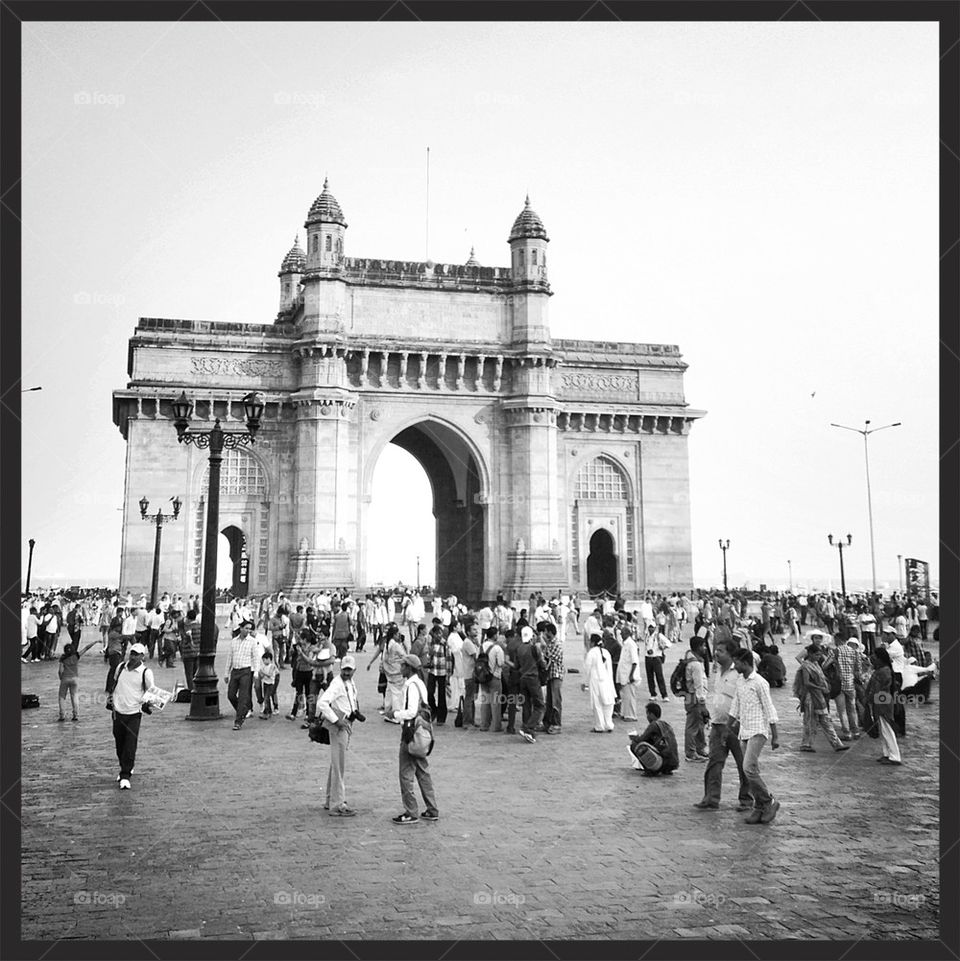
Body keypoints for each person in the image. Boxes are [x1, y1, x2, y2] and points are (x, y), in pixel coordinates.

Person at [694, 637, 753, 812]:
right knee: (714, 763)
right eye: (716, 650)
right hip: (717, 724)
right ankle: (711, 798)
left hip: (736, 726)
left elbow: (744, 700)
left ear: (730, 653)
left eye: (721, 651)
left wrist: (735, 723)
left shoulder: (739, 674)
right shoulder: (718, 672)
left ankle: (747, 799)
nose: (716, 653)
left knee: (744, 764)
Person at [727, 648, 781, 824]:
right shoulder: (740, 682)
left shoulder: (760, 682)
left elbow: (769, 707)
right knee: (749, 770)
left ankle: (768, 801)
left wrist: (775, 735)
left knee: (748, 768)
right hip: (744, 730)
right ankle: (760, 807)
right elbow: (736, 704)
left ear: (746, 662)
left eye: (737, 662)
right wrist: (728, 726)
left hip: (758, 730)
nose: (735, 666)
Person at [393, 654, 439, 824]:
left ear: (409, 667)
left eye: (403, 665)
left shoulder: (411, 685)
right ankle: (432, 808)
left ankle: (411, 811)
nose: (400, 668)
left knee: (405, 773)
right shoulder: (420, 683)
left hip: (410, 732)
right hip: (422, 732)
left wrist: (396, 714)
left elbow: (411, 711)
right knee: (423, 772)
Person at [315, 654, 362, 816]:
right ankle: (338, 804)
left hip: (346, 723)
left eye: (349, 670)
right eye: (344, 670)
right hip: (339, 726)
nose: (347, 673)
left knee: (336, 763)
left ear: (354, 670)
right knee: (339, 765)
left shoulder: (349, 682)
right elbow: (322, 703)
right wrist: (336, 720)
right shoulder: (337, 683)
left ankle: (331, 799)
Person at [107, 642, 155, 790]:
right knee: (119, 741)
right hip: (118, 711)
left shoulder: (146, 672)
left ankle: (125, 774)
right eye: (132, 653)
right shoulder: (121, 667)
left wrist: (149, 702)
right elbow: (114, 683)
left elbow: (151, 691)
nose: (133, 657)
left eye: (137, 654)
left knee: (130, 743)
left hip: (134, 712)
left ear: (142, 656)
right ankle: (125, 765)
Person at [794, 645, 849, 753]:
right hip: (811, 697)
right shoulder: (806, 666)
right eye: (817, 654)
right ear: (810, 654)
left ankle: (836, 743)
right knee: (810, 721)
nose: (819, 657)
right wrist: (821, 688)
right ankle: (806, 744)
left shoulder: (816, 664)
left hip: (819, 696)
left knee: (825, 720)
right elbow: (806, 683)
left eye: (819, 654)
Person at [864, 647, 902, 765]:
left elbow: (879, 690)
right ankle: (887, 754)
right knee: (883, 730)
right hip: (880, 703)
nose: (872, 658)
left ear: (880, 658)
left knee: (887, 730)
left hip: (883, 704)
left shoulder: (883, 671)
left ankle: (895, 756)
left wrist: (871, 699)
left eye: (874, 656)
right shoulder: (882, 669)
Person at [628, 701, 679, 775]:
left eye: (647, 714)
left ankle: (650, 769)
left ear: (651, 714)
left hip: (663, 761)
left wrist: (634, 738)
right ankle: (666, 769)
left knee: (635, 745)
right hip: (673, 762)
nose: (647, 717)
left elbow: (641, 739)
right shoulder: (665, 724)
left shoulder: (654, 725)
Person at [224, 620, 258, 730]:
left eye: (250, 629)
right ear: (241, 628)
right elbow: (230, 657)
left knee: (243, 696)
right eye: (246, 628)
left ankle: (238, 721)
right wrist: (226, 673)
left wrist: (256, 671)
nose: (248, 631)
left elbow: (255, 657)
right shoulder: (234, 641)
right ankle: (243, 710)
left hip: (246, 671)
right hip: (235, 670)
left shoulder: (252, 641)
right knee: (231, 695)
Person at [515, 625, 548, 742]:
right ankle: (529, 728)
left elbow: (516, 665)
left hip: (523, 678)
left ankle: (526, 727)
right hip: (533, 678)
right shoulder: (534, 648)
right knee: (540, 705)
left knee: (526, 705)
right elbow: (542, 664)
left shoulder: (519, 648)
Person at [57, 635, 100, 721]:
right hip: (75, 679)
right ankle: (75, 715)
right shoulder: (76, 656)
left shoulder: (62, 658)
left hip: (65, 678)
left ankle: (62, 715)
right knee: (74, 696)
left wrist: (61, 678)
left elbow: (60, 670)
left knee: (62, 697)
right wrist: (95, 642)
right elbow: (86, 648)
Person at [682, 638, 710, 762]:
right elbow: (699, 685)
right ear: (698, 647)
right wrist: (702, 704)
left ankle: (700, 748)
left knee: (699, 724)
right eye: (703, 646)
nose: (705, 648)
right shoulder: (696, 665)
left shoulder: (690, 659)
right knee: (693, 725)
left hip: (690, 696)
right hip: (694, 698)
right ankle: (690, 752)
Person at [583, 633, 616, 733]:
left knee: (597, 704)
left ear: (592, 642)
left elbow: (587, 668)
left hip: (595, 681)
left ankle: (599, 725)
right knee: (607, 703)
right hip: (607, 681)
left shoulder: (592, 653)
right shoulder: (606, 653)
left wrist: (584, 682)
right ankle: (609, 724)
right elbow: (610, 670)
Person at [424, 625, 454, 725]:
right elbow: (428, 657)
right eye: (436, 634)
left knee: (442, 695)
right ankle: (434, 710)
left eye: (440, 633)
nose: (438, 636)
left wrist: (448, 676)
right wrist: (430, 653)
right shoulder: (431, 643)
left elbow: (449, 660)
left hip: (442, 672)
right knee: (429, 692)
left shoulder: (445, 644)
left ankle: (441, 716)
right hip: (432, 671)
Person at [477, 628, 505, 733]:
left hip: (482, 677)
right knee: (496, 702)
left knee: (485, 701)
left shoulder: (480, 647)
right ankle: (496, 726)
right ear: (494, 635)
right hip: (495, 677)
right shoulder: (497, 648)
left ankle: (484, 724)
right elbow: (501, 663)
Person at [541, 621, 564, 734]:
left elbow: (549, 657)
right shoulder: (550, 643)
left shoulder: (557, 644)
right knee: (549, 701)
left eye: (545, 632)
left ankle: (556, 724)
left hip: (556, 675)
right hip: (550, 675)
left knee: (556, 701)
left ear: (550, 632)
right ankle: (548, 722)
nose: (544, 634)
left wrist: (544, 645)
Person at [616, 623, 642, 722]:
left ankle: (631, 715)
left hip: (629, 675)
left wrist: (631, 675)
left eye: (622, 633)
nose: (621, 635)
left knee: (630, 696)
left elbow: (634, 661)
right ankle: (624, 713)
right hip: (624, 674)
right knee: (625, 696)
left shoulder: (631, 644)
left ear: (627, 633)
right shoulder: (625, 644)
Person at [256, 650, 279, 718]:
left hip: (270, 684)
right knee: (266, 698)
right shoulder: (263, 666)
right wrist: (261, 674)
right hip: (265, 683)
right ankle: (268, 711)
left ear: (269, 659)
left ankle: (268, 712)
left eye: (264, 660)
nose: (263, 661)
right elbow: (262, 676)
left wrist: (263, 672)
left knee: (266, 698)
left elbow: (270, 674)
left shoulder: (272, 666)